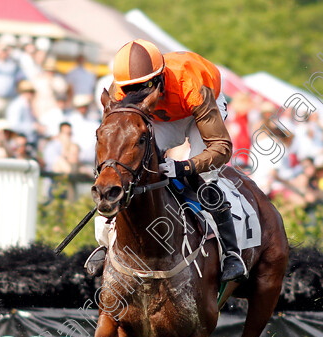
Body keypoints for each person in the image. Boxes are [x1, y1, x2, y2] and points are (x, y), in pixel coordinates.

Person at [86, 39, 246, 282]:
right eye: (130, 90)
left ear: (159, 79)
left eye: (143, 87)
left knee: (204, 177)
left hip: (197, 109)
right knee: (132, 169)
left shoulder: (192, 85)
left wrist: (183, 167)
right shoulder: (119, 91)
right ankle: (106, 242)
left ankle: (232, 253)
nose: (135, 94)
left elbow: (221, 148)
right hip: (159, 113)